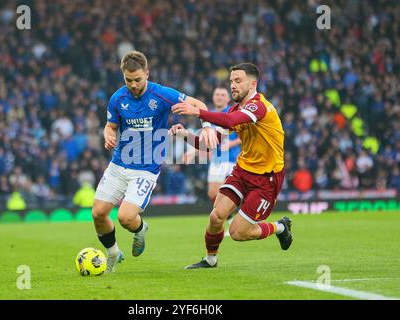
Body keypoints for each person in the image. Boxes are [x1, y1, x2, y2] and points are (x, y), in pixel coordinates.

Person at [92, 51, 218, 273]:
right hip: (119, 164)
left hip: (146, 169)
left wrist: (206, 126)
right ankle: (113, 253)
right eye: (128, 80)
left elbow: (199, 104)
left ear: (147, 74)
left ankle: (140, 229)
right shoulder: (118, 99)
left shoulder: (161, 94)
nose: (133, 84)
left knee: (125, 217)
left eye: (138, 79)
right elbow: (110, 126)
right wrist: (108, 134)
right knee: (98, 213)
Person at [170, 63, 293, 269]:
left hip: (266, 179)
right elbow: (208, 144)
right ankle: (210, 260)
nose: (233, 86)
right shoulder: (238, 109)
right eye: (231, 82)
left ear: (253, 84)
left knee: (238, 233)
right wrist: (185, 135)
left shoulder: (259, 106)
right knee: (216, 216)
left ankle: (280, 227)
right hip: (242, 171)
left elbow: (229, 120)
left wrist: (198, 112)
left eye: (238, 81)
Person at [183, 87, 241, 235]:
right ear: (213, 97)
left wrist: (232, 144)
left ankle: (236, 221)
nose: (220, 97)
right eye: (217, 94)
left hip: (232, 159)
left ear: (228, 99)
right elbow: (207, 141)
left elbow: (246, 134)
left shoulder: (233, 112)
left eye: (223, 95)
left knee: (226, 192)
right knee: (212, 193)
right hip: (217, 159)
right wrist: (193, 152)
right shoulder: (209, 116)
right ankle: (230, 220)